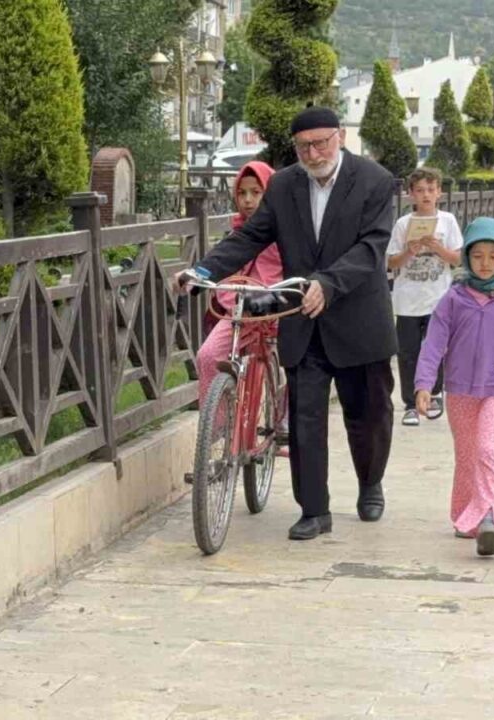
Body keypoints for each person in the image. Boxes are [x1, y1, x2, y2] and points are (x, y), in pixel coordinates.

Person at [179, 106, 397, 541]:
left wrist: (328, 283)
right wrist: (205, 271)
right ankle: (314, 509)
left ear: (340, 138)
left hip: (358, 317)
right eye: (303, 146)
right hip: (303, 318)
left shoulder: (375, 180)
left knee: (368, 414)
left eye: (321, 143)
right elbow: (251, 236)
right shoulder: (282, 185)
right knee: (305, 416)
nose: (313, 153)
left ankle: (370, 482)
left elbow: (372, 247)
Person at [413, 217, 494, 556]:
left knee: (488, 450)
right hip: (460, 391)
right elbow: (433, 344)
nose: (485, 264)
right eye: (478, 256)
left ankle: (490, 520)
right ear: (467, 256)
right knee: (467, 455)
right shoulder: (454, 299)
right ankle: (465, 517)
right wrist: (424, 385)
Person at [195, 161, 282, 400]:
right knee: (208, 356)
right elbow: (220, 260)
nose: (247, 200)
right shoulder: (237, 231)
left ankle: (284, 413)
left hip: (277, 303)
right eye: (241, 193)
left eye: (256, 192)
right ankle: (217, 428)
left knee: (296, 360)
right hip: (238, 306)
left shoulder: (285, 230)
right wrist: (196, 275)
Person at [386, 166, 463, 426]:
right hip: (407, 301)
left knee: (437, 348)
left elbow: (457, 258)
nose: (426, 195)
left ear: (439, 192)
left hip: (438, 299)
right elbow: (392, 263)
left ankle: (434, 393)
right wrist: (410, 251)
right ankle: (410, 402)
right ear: (411, 195)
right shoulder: (402, 224)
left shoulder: (448, 221)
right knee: (407, 352)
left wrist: (437, 248)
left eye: (431, 190)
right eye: (420, 191)